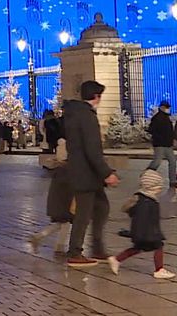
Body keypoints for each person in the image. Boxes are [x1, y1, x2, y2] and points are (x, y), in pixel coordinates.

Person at [64, 80, 119, 267]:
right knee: (84, 213)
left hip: (85, 172)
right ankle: (75, 252)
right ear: (96, 96)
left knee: (101, 207)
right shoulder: (86, 116)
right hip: (85, 173)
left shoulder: (75, 113)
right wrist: (107, 173)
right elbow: (92, 149)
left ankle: (97, 248)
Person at [108, 169, 175, 279]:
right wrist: (152, 233)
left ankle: (117, 259)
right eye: (159, 187)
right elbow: (144, 220)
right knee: (159, 246)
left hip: (142, 232)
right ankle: (159, 269)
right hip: (148, 232)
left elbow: (135, 216)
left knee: (137, 248)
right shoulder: (148, 202)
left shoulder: (140, 199)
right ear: (152, 187)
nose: (159, 190)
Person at [28, 139, 74, 254]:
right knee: (65, 224)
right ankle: (59, 248)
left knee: (60, 224)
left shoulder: (58, 168)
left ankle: (39, 237)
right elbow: (69, 187)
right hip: (63, 203)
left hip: (57, 202)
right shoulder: (66, 170)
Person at [147, 101, 177, 189]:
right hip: (160, 144)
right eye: (166, 107)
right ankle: (146, 174)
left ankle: (173, 181)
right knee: (157, 161)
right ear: (162, 107)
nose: (168, 109)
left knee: (172, 161)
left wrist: (173, 139)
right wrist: (160, 138)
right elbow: (151, 130)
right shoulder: (157, 118)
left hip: (168, 144)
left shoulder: (167, 118)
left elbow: (170, 131)